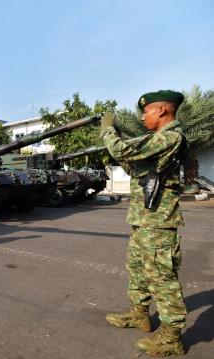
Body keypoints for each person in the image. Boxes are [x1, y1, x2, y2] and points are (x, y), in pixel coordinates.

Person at [100, 90, 187, 357]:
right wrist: (121, 153)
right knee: (137, 269)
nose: (141, 117)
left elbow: (122, 148)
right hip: (144, 218)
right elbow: (135, 166)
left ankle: (172, 337)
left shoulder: (171, 136)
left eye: (146, 111)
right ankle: (140, 314)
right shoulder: (157, 139)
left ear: (162, 110)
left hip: (159, 222)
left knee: (161, 277)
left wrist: (107, 132)